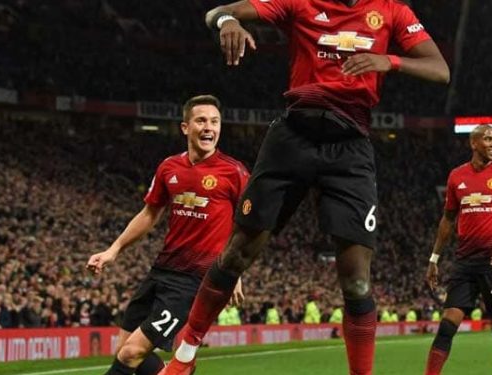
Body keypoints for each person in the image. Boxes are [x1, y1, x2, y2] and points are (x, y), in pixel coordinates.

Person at [161, 1, 449, 374]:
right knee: (237, 253)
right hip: (292, 138)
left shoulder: (392, 10)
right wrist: (229, 21)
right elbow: (213, 12)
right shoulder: (300, 2)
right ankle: (184, 356)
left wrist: (389, 61)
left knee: (358, 282)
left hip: (350, 148)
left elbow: (440, 70)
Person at [86, 95, 249, 375]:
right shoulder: (169, 167)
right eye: (201, 120)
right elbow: (149, 214)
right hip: (161, 270)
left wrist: (234, 272)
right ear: (185, 128)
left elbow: (246, 226)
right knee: (125, 347)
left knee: (131, 354)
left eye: (214, 121)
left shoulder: (234, 173)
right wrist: (113, 250)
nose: (208, 127)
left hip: (193, 280)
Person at [424, 125, 492, 375]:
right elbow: (448, 219)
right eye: (488, 139)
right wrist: (434, 258)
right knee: (448, 325)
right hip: (464, 262)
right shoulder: (457, 176)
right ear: (474, 144)